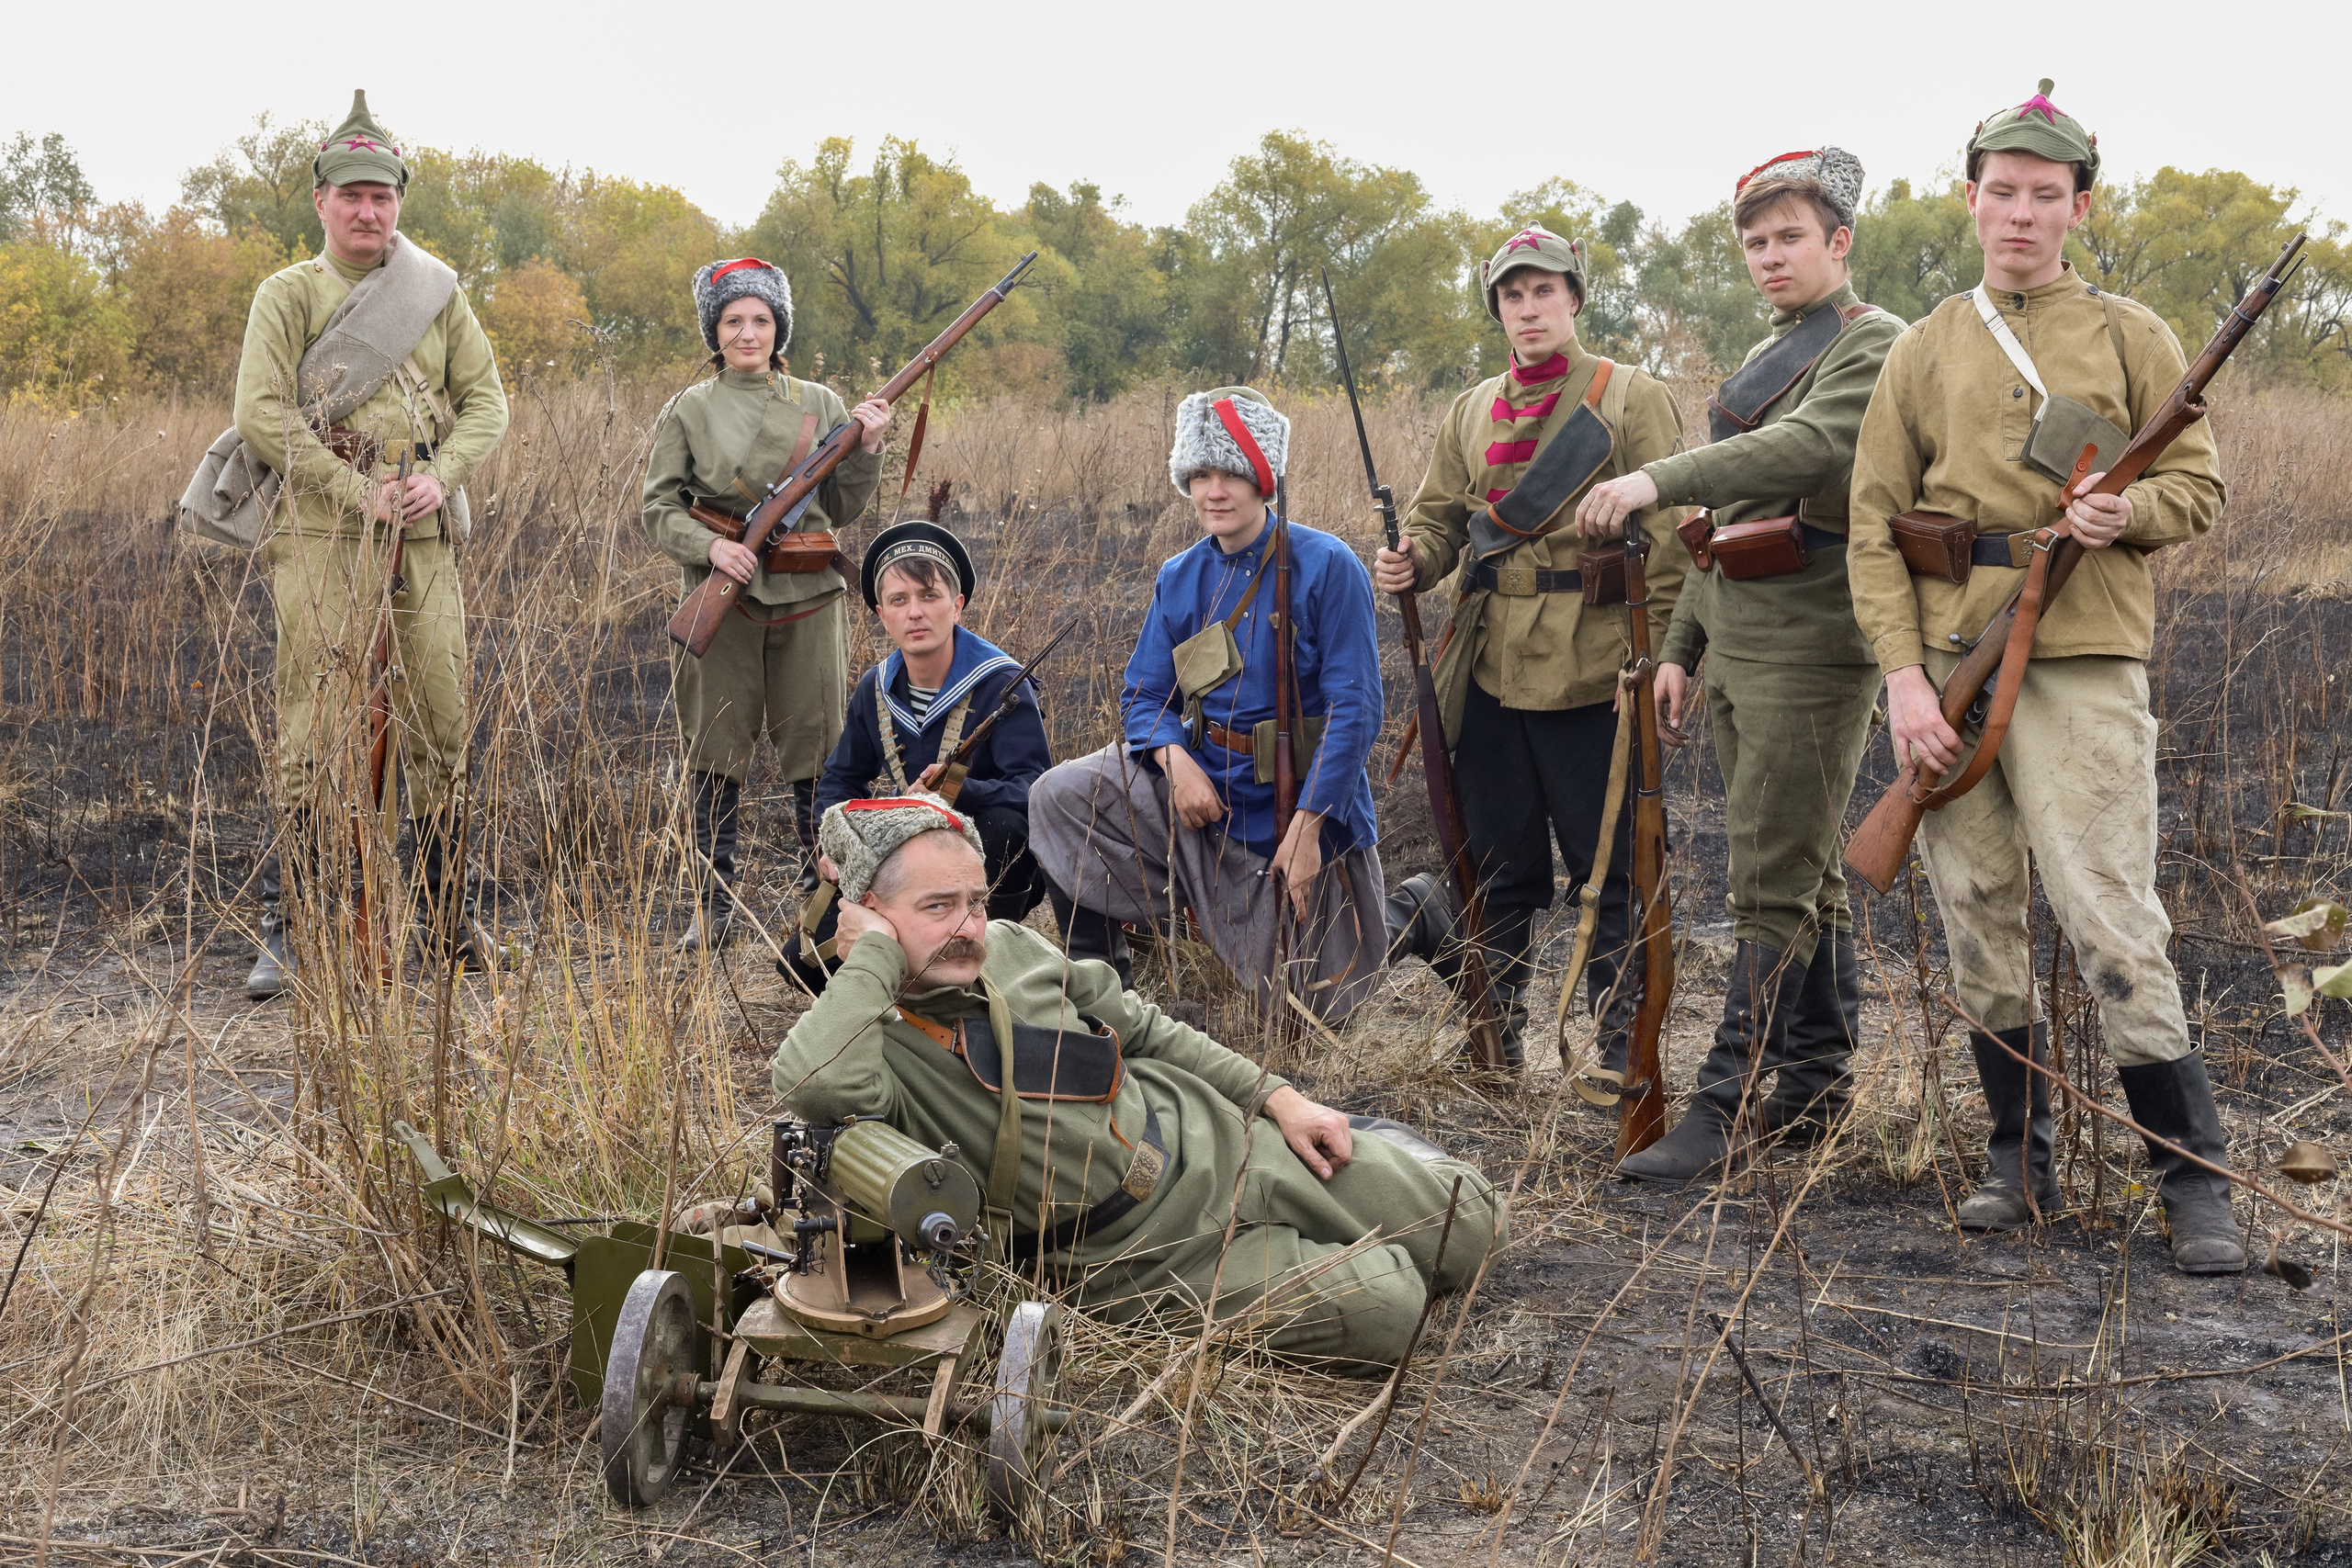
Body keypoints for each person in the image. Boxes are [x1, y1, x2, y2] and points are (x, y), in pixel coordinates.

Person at [1845, 82, 2239, 1273]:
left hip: (2081, 660)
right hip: (1955, 667)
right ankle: (2017, 1158)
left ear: (2078, 206)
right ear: (1972, 202)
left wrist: (2130, 511)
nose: (2020, 214)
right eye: (2001, 192)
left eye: (2044, 194)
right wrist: (1906, 683)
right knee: (1973, 912)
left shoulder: (2133, 335)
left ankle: (2191, 1179)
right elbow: (1873, 528)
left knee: (2111, 907)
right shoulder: (1922, 350)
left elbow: (2201, 491)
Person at [769, 795, 1505, 1371]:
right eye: (937, 908)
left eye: (976, 899)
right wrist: (871, 960)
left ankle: (1384, 1155)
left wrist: (1277, 1097)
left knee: (1471, 1225)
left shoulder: (1014, 948)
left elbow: (1147, 1029)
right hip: (1137, 1259)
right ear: (867, 916)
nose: (969, 927)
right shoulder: (870, 1033)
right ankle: (1346, 1216)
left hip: (1216, 1139)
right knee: (1393, 1304)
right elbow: (809, 1083)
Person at [1575, 149, 1905, 1179]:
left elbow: (1806, 450)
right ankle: (1813, 1089)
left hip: (1816, 645)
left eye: (1789, 237)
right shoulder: (1770, 352)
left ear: (1838, 242)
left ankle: (1721, 1105)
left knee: (1770, 876)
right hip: (1740, 635)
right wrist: (1683, 646)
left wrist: (1651, 479)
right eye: (1754, 243)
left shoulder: (1869, 345)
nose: (1769, 258)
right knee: (1807, 871)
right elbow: (1731, 519)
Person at [1374, 227, 1693, 1071]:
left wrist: (1666, 659)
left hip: (1597, 672)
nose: (1528, 308)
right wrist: (1411, 558)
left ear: (1575, 298)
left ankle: (1626, 1055)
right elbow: (1441, 520)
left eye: (1543, 290)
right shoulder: (1470, 409)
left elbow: (1672, 546)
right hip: (1489, 668)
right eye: (1512, 295)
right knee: (1496, 867)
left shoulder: (1628, 397)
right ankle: (1495, 1039)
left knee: (1614, 873)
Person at [235, 90, 509, 999]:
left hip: (422, 531)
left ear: (399, 203)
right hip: (322, 530)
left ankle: (444, 922)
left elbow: (487, 404)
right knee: (316, 723)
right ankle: (292, 930)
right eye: (350, 195)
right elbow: (261, 415)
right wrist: (359, 492)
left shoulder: (436, 291)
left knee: (438, 715)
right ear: (319, 201)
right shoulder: (288, 294)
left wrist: (444, 475)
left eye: (381, 197)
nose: (367, 211)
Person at [1028, 388, 1386, 1023]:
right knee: (1060, 795)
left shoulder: (1329, 566)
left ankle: (1413, 914)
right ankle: (1105, 999)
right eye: (1200, 474)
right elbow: (1143, 694)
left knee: (1312, 1016)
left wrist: (1306, 833)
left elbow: (1355, 712)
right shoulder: (1180, 575)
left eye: (1231, 473)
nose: (1214, 491)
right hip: (1204, 801)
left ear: (1263, 479)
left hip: (1297, 809)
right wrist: (1175, 760)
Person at [639, 257, 890, 952]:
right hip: (725, 595)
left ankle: (824, 907)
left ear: (778, 326)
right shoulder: (688, 409)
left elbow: (840, 504)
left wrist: (866, 447)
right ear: (713, 331)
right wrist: (709, 547)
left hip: (810, 596)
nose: (747, 332)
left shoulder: (822, 402)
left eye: (760, 319)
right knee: (714, 748)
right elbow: (657, 508)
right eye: (732, 320)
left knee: (819, 750)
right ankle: (711, 909)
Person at [788, 523, 1051, 990]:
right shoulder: (875, 687)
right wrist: (835, 841)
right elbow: (839, 780)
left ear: (958, 605)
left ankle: (984, 962)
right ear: (881, 614)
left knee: (1006, 828)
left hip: (980, 854)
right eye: (898, 600)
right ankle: (900, 995)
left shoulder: (1002, 683)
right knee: (805, 963)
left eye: (929, 596)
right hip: (902, 853)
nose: (915, 613)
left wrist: (960, 790)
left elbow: (1036, 789)